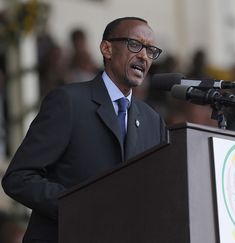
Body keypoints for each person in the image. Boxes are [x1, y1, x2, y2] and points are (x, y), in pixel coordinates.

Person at [1, 17, 166, 242]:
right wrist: (80, 208)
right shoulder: (68, 102)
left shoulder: (152, 120)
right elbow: (19, 178)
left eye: (150, 50)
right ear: (106, 48)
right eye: (135, 45)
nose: (144, 56)